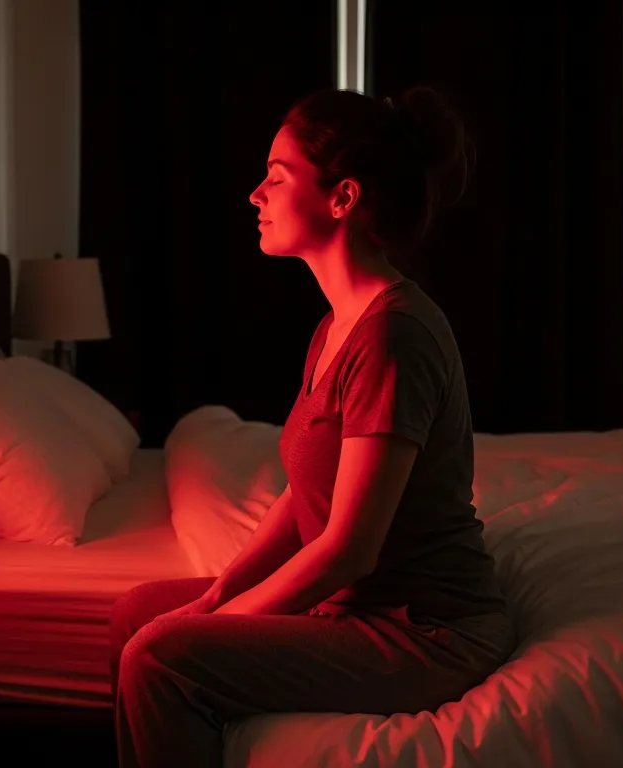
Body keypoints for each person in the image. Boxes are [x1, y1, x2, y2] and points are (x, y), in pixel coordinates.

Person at [108, 86, 515, 768]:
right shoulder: (336, 325)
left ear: (343, 198)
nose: (254, 195)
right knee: (136, 613)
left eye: (276, 177)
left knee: (159, 658)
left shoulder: (394, 335)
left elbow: (348, 550)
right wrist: (216, 594)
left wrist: (221, 625)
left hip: (424, 630)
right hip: (358, 608)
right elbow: (305, 495)